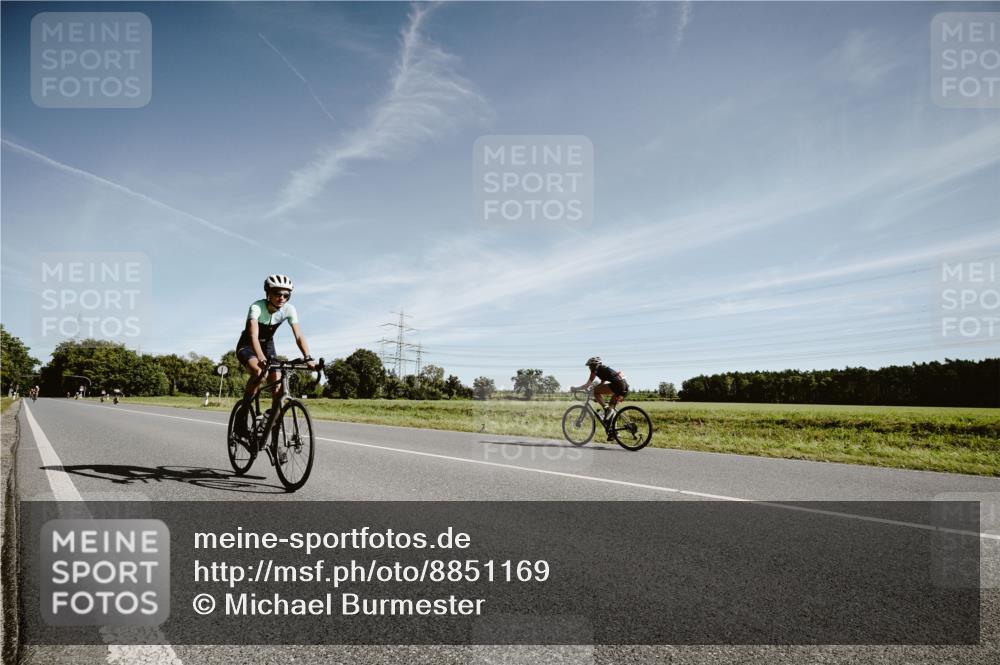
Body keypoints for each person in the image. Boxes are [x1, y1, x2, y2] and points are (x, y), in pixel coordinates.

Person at [234, 274, 315, 434]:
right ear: (268, 293)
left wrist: (308, 357)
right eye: (278, 293)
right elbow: (253, 336)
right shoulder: (256, 307)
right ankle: (242, 414)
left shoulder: (289, 309)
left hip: (268, 346)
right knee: (258, 371)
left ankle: (268, 424)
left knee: (278, 392)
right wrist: (261, 358)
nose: (282, 298)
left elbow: (298, 335)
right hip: (248, 345)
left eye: (286, 295)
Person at [570, 357, 630, 441]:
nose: (589, 368)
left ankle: (606, 409)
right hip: (624, 387)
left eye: (590, 366)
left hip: (618, 385)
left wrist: (575, 389)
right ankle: (614, 433)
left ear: (594, 365)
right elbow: (601, 385)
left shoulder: (597, 370)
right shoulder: (604, 370)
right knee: (611, 408)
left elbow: (587, 386)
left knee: (603, 403)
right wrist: (596, 397)